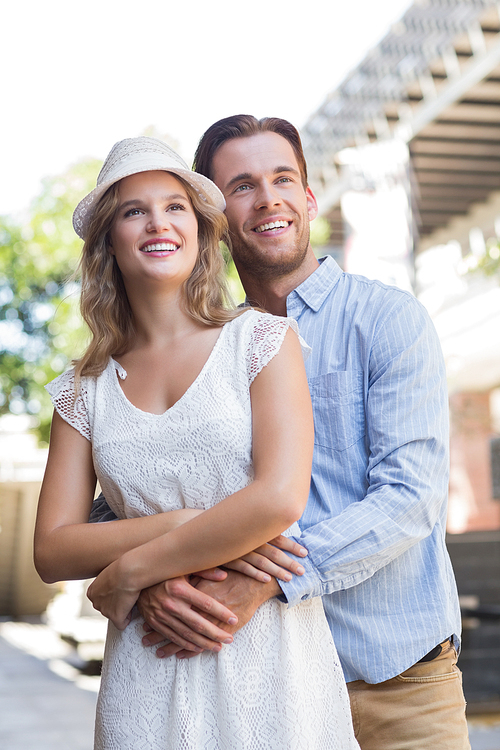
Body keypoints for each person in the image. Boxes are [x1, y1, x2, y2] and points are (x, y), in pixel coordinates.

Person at [90, 117, 469, 750]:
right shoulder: (204, 352)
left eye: (283, 178)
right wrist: (146, 575)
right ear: (211, 215)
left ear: (310, 198)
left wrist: (270, 577)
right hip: (259, 686)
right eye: (242, 185)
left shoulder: (387, 320)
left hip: (394, 684)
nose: (268, 199)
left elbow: (412, 496)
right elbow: (124, 497)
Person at [34, 136, 360, 750]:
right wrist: (189, 524)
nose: (158, 222)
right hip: (146, 665)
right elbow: (53, 550)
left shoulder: (262, 342)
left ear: (202, 233)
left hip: (272, 660)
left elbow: (278, 501)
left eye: (175, 206)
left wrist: (127, 571)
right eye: (134, 211)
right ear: (109, 241)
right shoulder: (82, 390)